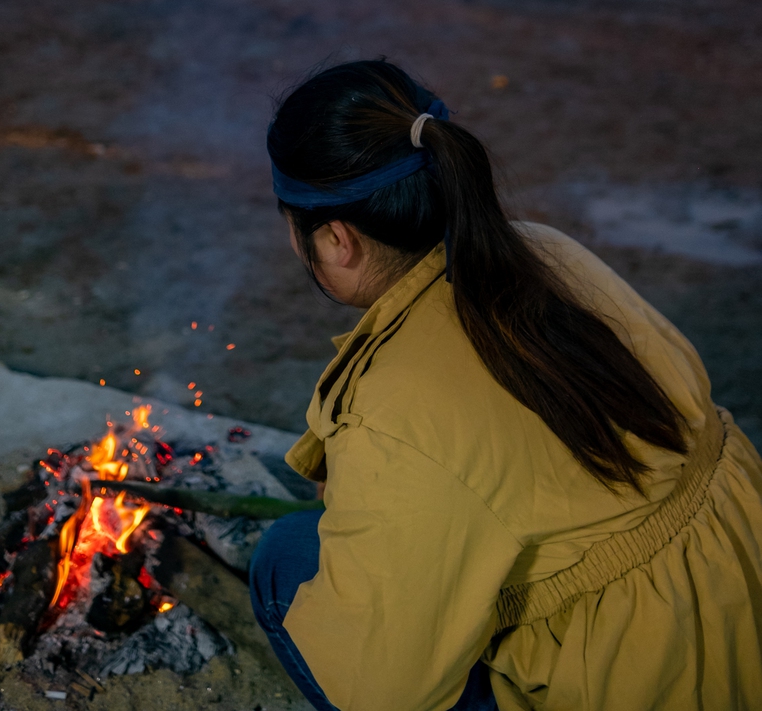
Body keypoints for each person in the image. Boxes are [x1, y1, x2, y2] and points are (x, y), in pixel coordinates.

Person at [249, 60, 762, 711]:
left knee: (286, 560)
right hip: (738, 589)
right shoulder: (544, 249)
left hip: (640, 676)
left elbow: (388, 690)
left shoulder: (395, 403)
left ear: (338, 240)